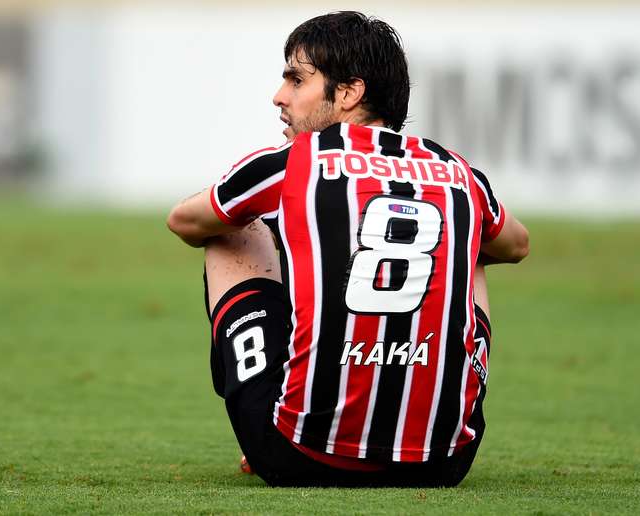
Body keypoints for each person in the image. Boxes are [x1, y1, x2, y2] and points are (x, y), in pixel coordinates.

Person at [167, 11, 529, 487]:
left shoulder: (295, 161)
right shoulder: (457, 170)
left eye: (297, 80)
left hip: (299, 455)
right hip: (443, 462)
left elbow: (185, 221)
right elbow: (518, 244)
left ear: (349, 93)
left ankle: (261, 419)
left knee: (234, 230)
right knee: (473, 245)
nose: (279, 96)